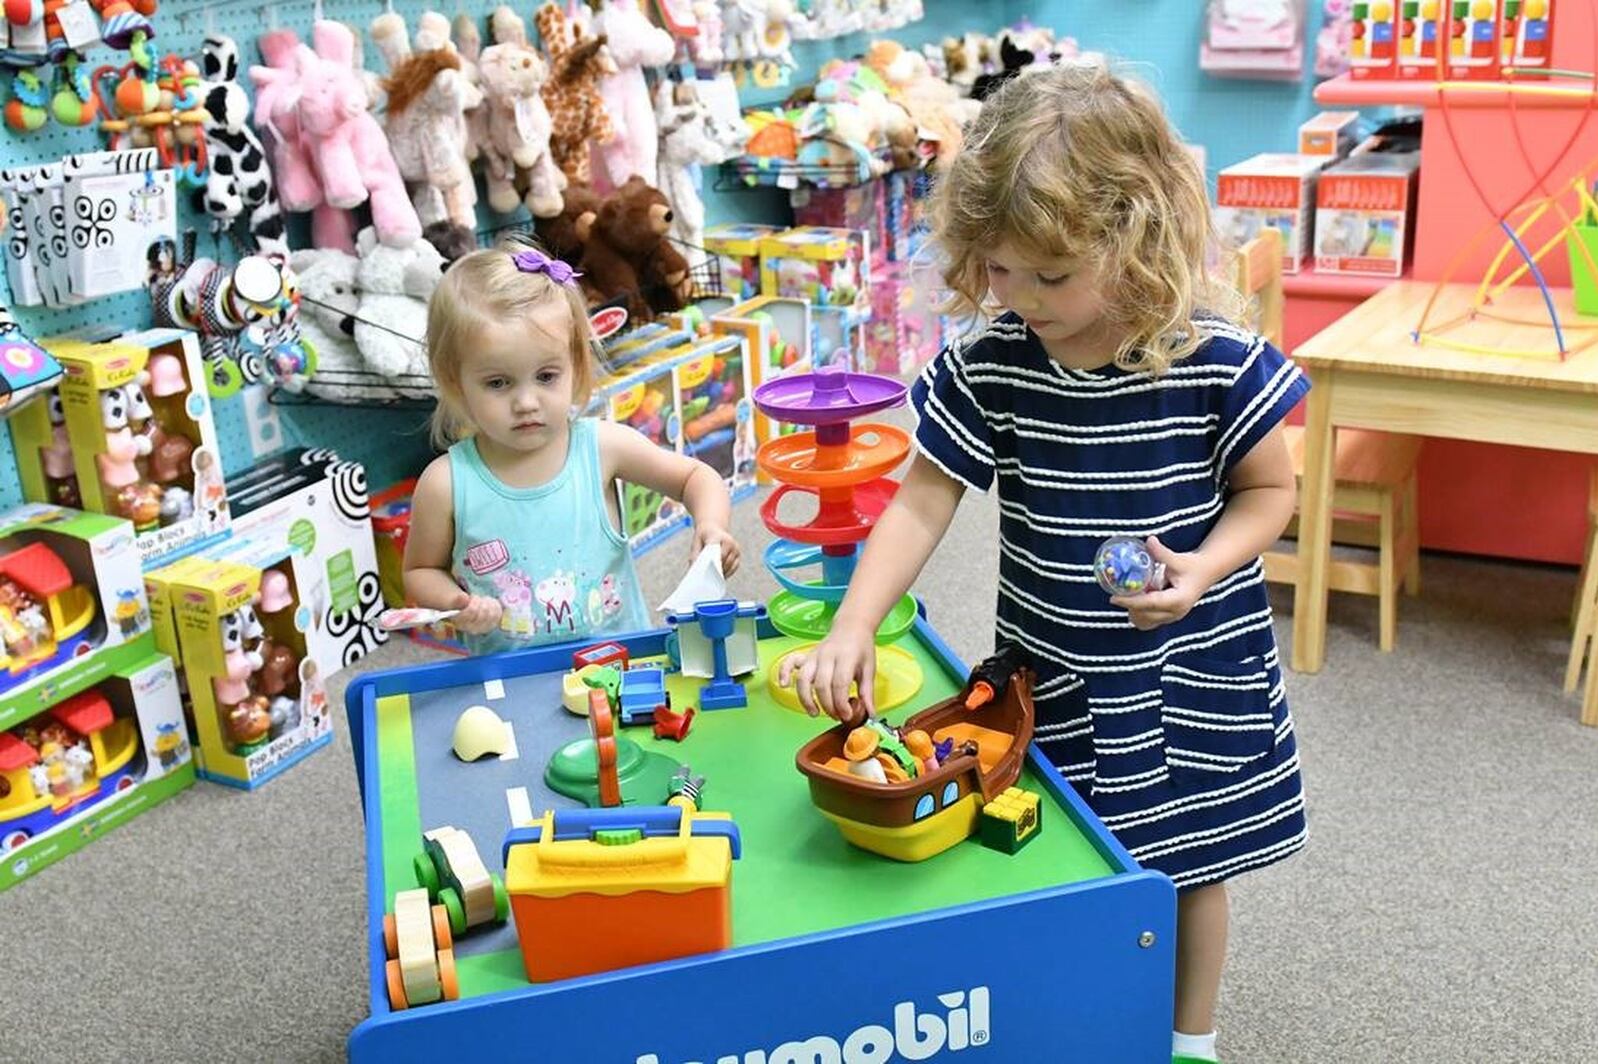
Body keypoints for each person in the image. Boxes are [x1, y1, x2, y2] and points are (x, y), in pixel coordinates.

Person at [781, 63, 1307, 1064]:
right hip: (1051, 676)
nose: (1015, 298)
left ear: (1136, 234)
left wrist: (1201, 568)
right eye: (995, 270)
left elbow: (1269, 492)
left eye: (1048, 276)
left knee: (1191, 864)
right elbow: (926, 493)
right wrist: (853, 618)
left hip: (1186, 665)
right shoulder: (996, 358)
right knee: (1051, 842)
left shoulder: (1211, 356)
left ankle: (1191, 1037)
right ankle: (1074, 1015)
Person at [404, 241, 741, 654]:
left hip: (621, 663)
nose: (526, 402)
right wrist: (454, 603)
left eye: (546, 376)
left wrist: (711, 526)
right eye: (498, 383)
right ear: (457, 383)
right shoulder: (445, 484)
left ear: (575, 367)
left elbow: (696, 477)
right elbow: (421, 570)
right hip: (510, 679)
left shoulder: (601, 446)